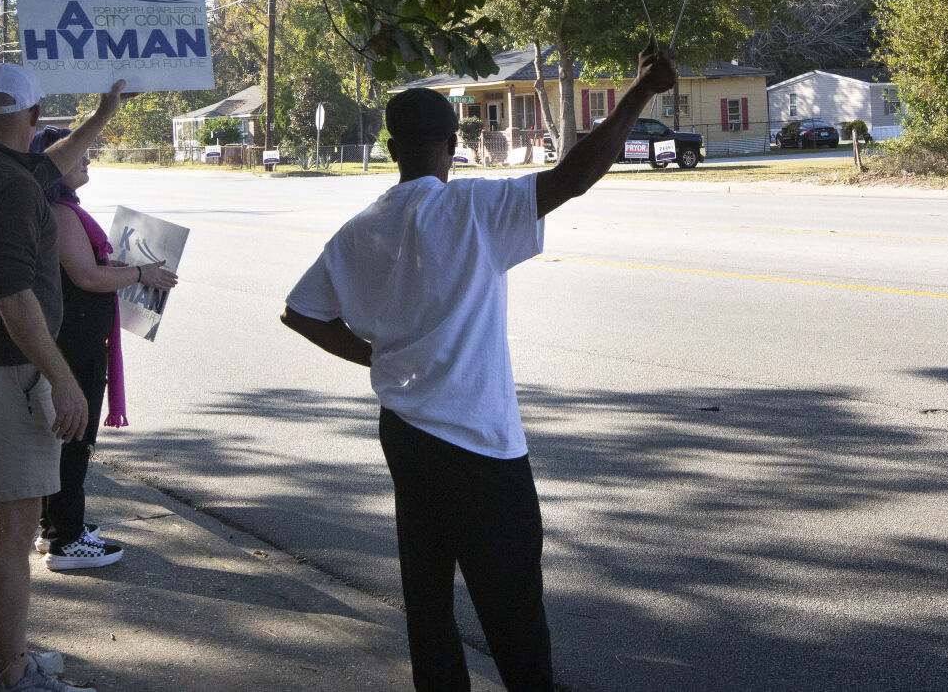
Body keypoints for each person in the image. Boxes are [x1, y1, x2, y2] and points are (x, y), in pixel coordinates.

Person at [282, 40, 679, 692]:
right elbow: (574, 175)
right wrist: (640, 89)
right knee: (513, 609)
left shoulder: (360, 229)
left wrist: (374, 354)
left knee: (429, 602)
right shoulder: (474, 209)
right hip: (480, 447)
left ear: (390, 148)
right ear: (452, 144)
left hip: (406, 435)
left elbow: (303, 313)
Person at [0, 64, 126, 692]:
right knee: (15, 530)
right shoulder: (16, 189)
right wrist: (63, 379)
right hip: (8, 370)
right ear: (35, 117)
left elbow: (48, 167)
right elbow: (15, 294)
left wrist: (101, 116)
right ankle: (14, 676)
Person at [26, 125, 178, 571]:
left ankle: (53, 526)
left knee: (66, 437)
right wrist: (139, 275)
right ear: (54, 161)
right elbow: (87, 277)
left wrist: (121, 267)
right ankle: (65, 540)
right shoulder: (58, 210)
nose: (87, 158)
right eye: (78, 153)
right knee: (76, 438)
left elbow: (86, 265)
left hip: (73, 334)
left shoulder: (59, 207)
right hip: (74, 341)